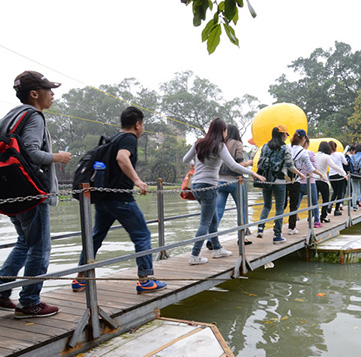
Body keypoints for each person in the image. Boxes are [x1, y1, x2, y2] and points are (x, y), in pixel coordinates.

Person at [71, 107, 165, 295]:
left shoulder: (113, 139)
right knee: (142, 235)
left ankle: (80, 278)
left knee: (96, 237)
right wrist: (137, 180)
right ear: (138, 124)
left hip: (104, 198)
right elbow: (122, 157)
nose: (143, 128)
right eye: (143, 124)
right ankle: (145, 280)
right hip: (121, 198)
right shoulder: (129, 138)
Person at [0, 71, 71, 318]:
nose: (52, 94)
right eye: (48, 89)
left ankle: (0, 291)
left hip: (10, 191)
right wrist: (58, 157)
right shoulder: (34, 116)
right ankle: (29, 302)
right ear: (34, 93)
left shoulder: (10, 116)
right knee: (40, 248)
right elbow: (31, 153)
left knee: (23, 242)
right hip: (31, 192)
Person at [183, 118, 265, 264]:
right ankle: (194, 255)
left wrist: (194, 166)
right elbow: (233, 166)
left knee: (213, 218)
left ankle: (217, 249)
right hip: (208, 186)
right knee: (205, 222)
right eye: (225, 130)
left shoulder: (198, 143)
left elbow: (185, 159)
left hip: (195, 185)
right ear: (222, 131)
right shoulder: (219, 146)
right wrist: (253, 173)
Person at [257, 126, 303, 242]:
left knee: (267, 205)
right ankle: (277, 235)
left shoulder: (265, 147)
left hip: (266, 180)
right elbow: (290, 166)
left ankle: (260, 228)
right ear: (283, 135)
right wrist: (300, 174)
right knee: (279, 208)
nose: (286, 137)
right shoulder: (284, 148)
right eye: (286, 135)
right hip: (279, 181)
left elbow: (260, 163)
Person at [215, 124, 253, 246]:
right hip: (235, 181)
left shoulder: (220, 144)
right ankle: (241, 238)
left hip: (220, 181)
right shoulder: (237, 144)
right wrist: (249, 163)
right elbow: (239, 164)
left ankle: (212, 239)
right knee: (242, 210)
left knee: (218, 211)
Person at [285, 129, 313, 235]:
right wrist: (319, 175)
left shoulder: (287, 147)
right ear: (303, 138)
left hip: (284, 179)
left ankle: (276, 225)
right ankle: (291, 228)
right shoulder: (304, 152)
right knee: (293, 204)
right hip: (295, 179)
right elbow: (310, 168)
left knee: (282, 203)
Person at [297, 138, 327, 227]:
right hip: (310, 181)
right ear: (306, 143)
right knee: (314, 202)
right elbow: (315, 167)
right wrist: (320, 174)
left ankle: (293, 223)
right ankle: (317, 221)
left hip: (299, 181)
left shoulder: (296, 153)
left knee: (296, 203)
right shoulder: (310, 153)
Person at [315, 141, 347, 223]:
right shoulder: (326, 156)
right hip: (323, 180)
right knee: (325, 199)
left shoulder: (314, 155)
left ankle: (313, 216)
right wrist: (343, 173)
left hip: (314, 180)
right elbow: (333, 166)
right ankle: (323, 216)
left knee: (315, 200)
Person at [328, 141, 348, 216]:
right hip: (340, 175)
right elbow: (345, 162)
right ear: (335, 147)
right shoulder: (340, 154)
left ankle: (330, 204)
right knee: (339, 193)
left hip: (331, 175)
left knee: (335, 191)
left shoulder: (328, 155)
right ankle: (336, 209)